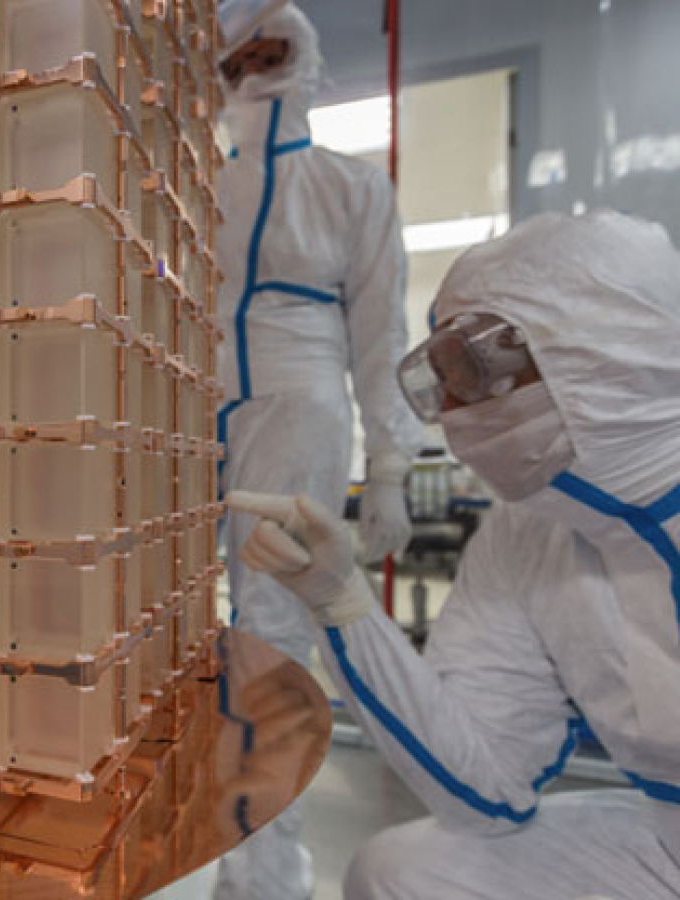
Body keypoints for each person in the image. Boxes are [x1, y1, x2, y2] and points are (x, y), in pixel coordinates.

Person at [228, 210, 680, 899]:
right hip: (661, 837)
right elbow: (486, 793)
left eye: (476, 367)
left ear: (601, 349)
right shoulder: (524, 536)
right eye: (440, 381)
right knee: (400, 871)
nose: (456, 411)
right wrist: (339, 600)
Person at [212, 3, 423, 896]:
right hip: (189, 400)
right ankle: (204, 831)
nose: (257, 71)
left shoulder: (351, 189)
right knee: (164, 625)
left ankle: (267, 870)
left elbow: (381, 337)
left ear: (302, 60)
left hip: (300, 407)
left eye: (273, 53)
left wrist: (391, 467)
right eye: (240, 58)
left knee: (274, 633)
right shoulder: (194, 186)